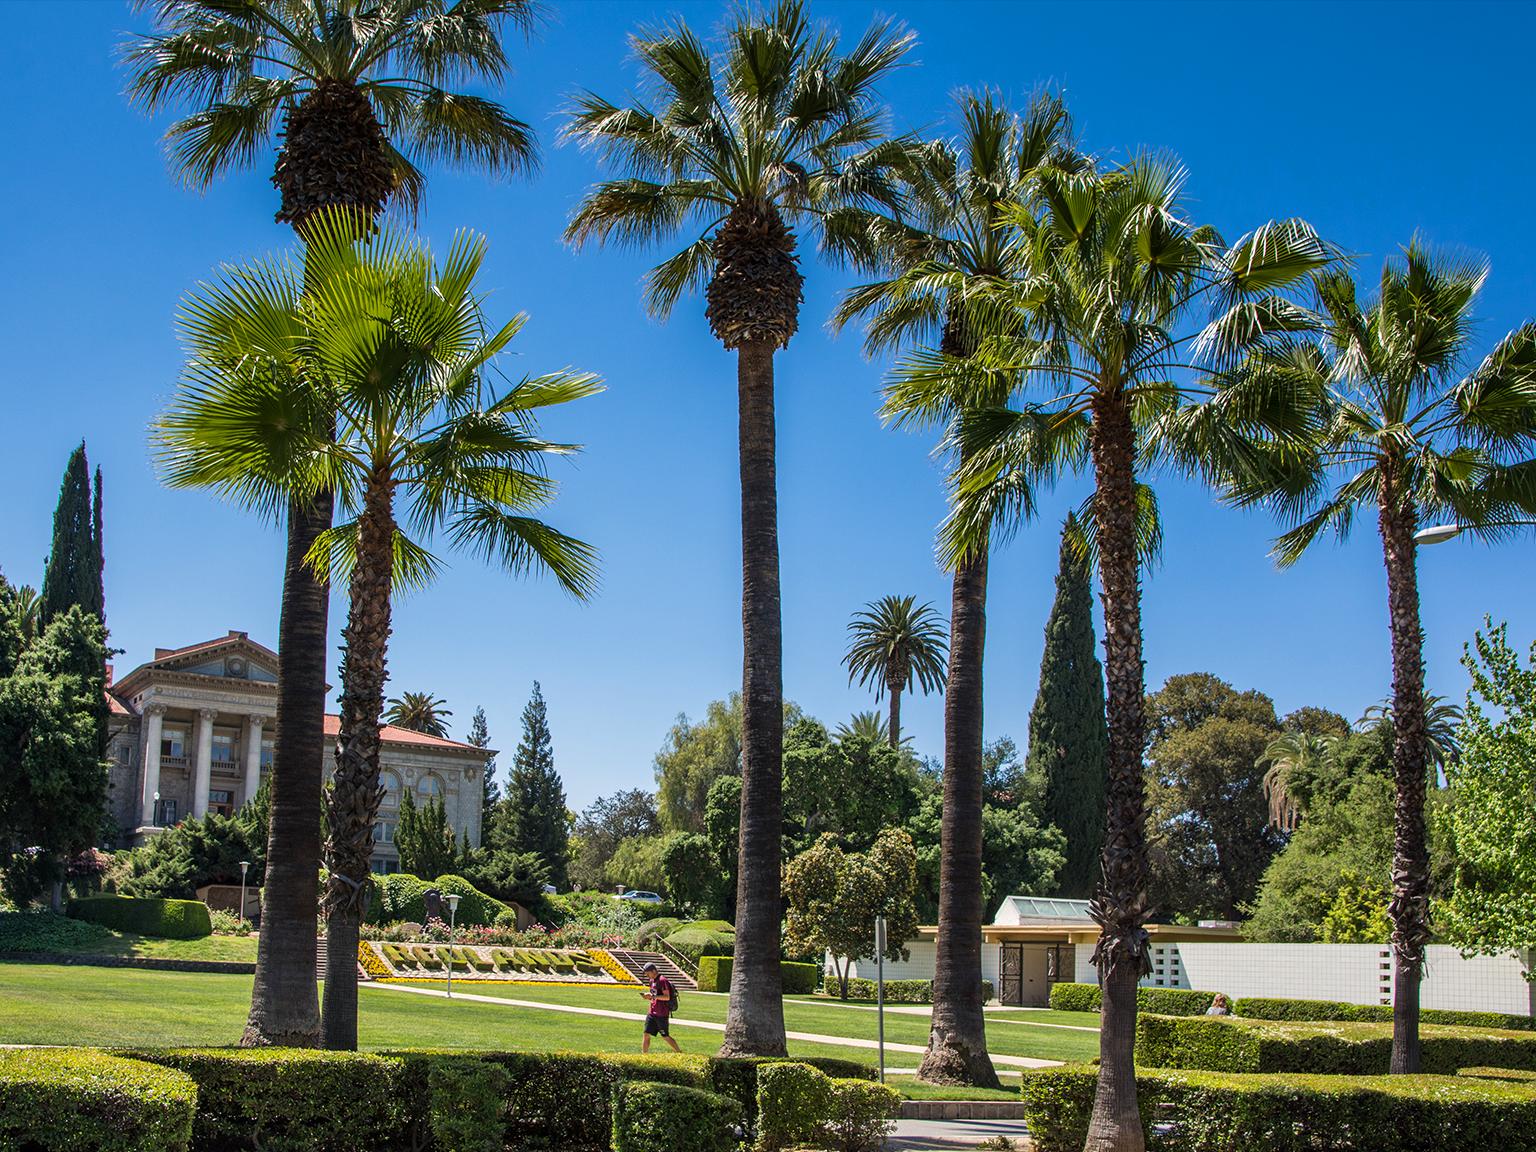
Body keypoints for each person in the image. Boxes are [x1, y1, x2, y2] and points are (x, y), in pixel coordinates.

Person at [640, 962, 681, 1053]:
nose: (647, 975)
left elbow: (667, 997)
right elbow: (654, 995)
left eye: (648, 973)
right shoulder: (651, 981)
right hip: (652, 1012)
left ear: (654, 971)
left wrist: (653, 996)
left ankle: (679, 1052)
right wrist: (649, 996)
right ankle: (644, 1056)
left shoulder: (662, 980)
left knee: (665, 1036)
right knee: (646, 1034)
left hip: (662, 1014)